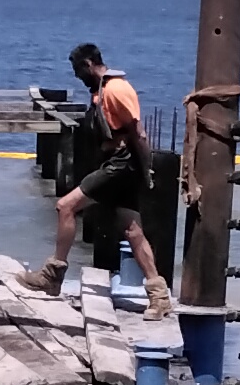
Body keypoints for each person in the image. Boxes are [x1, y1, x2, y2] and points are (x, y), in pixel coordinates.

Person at [29, 42, 172, 317]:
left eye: (76, 70)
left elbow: (138, 134)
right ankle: (159, 296)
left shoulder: (117, 90)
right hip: (117, 163)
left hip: (121, 164)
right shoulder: (102, 91)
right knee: (132, 231)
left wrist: (146, 171)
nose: (75, 76)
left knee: (65, 206)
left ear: (88, 65)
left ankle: (52, 275)